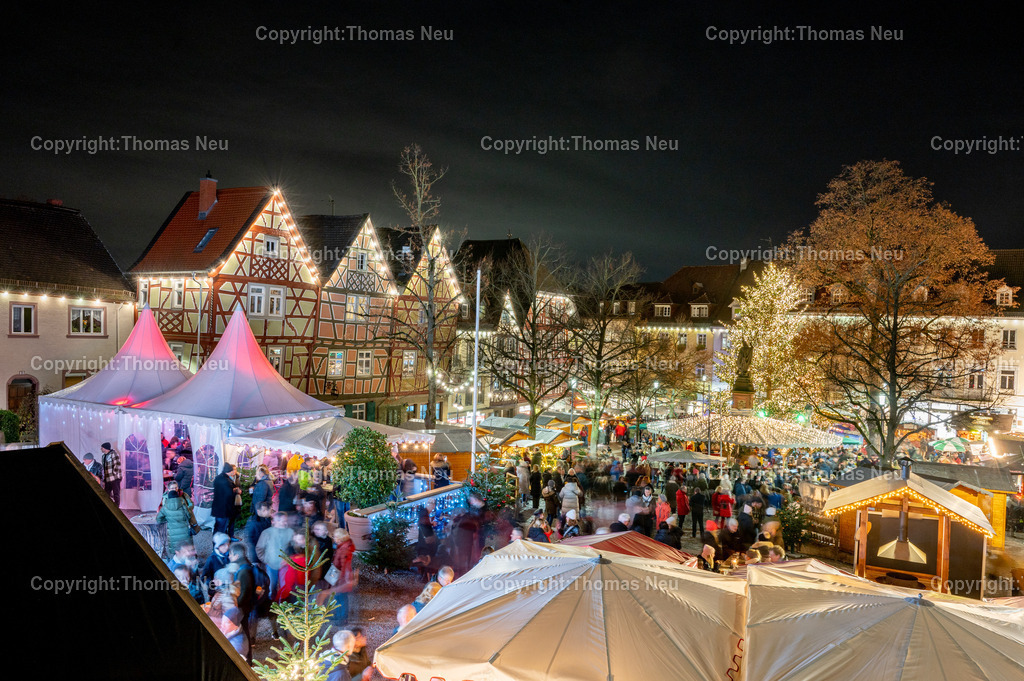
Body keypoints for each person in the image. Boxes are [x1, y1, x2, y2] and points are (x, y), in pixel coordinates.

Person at [228, 543, 257, 663]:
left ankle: (248, 661)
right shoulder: (244, 566)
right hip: (244, 606)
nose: (229, 556)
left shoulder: (244, 570)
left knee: (244, 632)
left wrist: (235, 605)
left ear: (236, 555)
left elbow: (245, 592)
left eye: (230, 554)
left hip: (243, 608)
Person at [257, 513, 295, 601]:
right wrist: (266, 560)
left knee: (285, 586)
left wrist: (290, 559)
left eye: (285, 521)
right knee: (272, 585)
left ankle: (283, 605)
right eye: (282, 521)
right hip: (271, 564)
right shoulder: (267, 533)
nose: (284, 523)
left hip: (285, 564)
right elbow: (260, 548)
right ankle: (272, 604)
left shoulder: (290, 532)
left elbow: (293, 548)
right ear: (275, 522)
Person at [155, 479, 195, 555]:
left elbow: (191, 504)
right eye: (173, 488)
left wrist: (186, 510)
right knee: (185, 544)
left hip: (178, 523)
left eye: (176, 487)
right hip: (176, 523)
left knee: (177, 544)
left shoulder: (183, 494)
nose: (175, 489)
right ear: (169, 489)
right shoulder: (165, 497)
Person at [201, 533, 233, 599]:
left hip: (230, 589)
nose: (227, 547)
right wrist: (212, 589)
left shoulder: (231, 555)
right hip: (217, 591)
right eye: (223, 545)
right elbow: (204, 577)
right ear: (218, 546)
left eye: (228, 544)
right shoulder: (211, 559)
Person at [212, 463, 240, 537]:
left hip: (218, 508)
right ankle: (219, 545)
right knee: (221, 528)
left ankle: (217, 544)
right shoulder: (226, 480)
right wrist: (235, 491)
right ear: (229, 471)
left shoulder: (218, 478)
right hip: (224, 509)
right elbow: (228, 495)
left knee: (218, 527)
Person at [100, 442, 122, 506]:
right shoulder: (103, 456)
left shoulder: (113, 454)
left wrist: (114, 474)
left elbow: (117, 465)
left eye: (102, 447)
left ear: (106, 448)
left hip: (114, 478)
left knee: (116, 493)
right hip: (107, 478)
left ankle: (117, 507)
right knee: (106, 493)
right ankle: (108, 506)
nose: (101, 449)